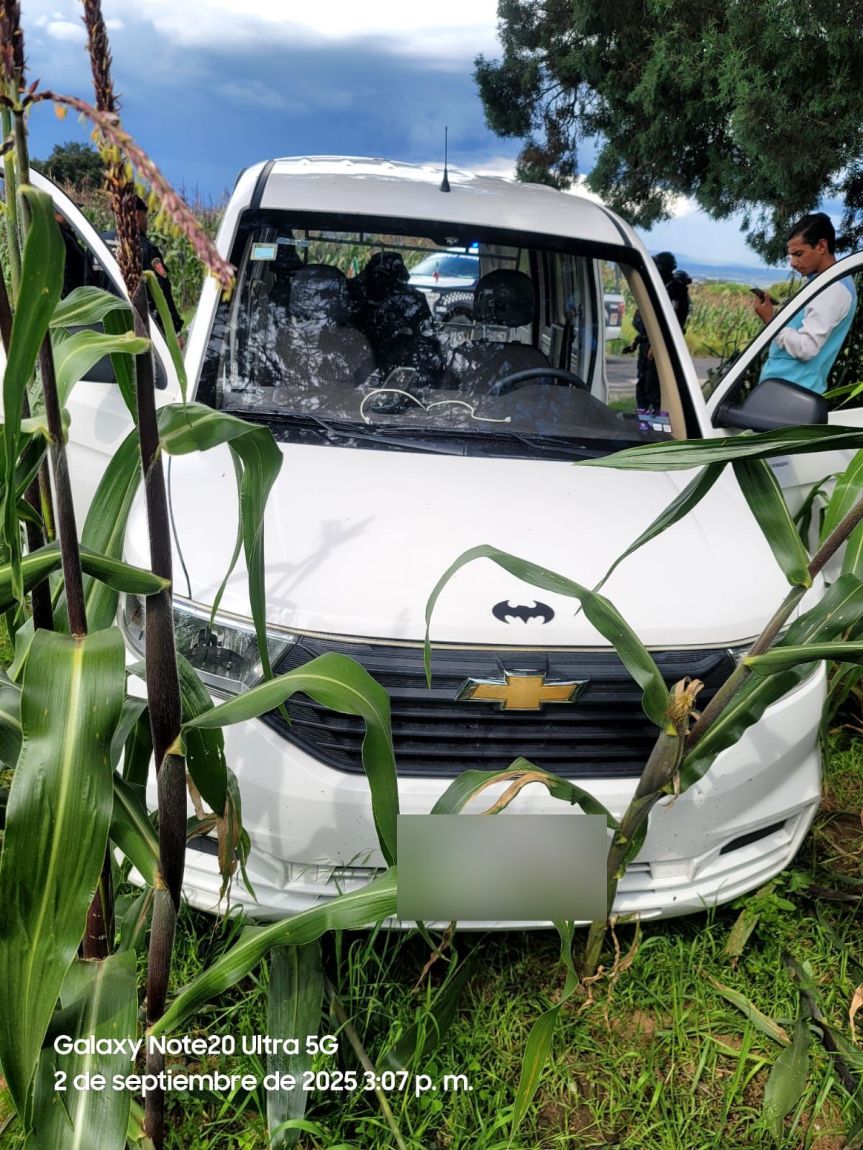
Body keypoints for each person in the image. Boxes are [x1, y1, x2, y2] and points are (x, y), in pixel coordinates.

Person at [754, 212, 857, 395]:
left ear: (821, 246)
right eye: (791, 256)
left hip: (790, 394)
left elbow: (806, 347)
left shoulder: (832, 289)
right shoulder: (825, 282)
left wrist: (772, 322)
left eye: (799, 254)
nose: (793, 263)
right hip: (787, 391)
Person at [634, 251, 689, 411]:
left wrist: (657, 344)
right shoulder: (660, 287)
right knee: (643, 384)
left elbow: (673, 322)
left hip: (659, 345)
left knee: (654, 389)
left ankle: (654, 429)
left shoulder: (675, 290)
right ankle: (643, 424)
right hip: (648, 342)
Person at [134, 195, 184, 337]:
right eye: (145, 217)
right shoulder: (147, 249)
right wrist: (175, 326)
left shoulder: (100, 243)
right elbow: (162, 290)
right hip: (143, 327)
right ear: (137, 215)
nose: (147, 223)